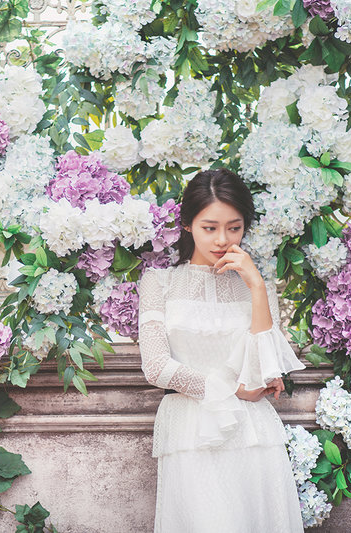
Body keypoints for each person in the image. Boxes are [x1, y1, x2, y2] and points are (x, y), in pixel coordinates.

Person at [138, 168, 306, 532]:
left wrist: (257, 286)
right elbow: (155, 367)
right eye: (209, 227)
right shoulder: (158, 283)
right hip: (191, 428)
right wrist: (230, 389)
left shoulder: (259, 284)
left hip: (254, 432)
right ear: (187, 225)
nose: (222, 239)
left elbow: (267, 366)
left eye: (234, 227)